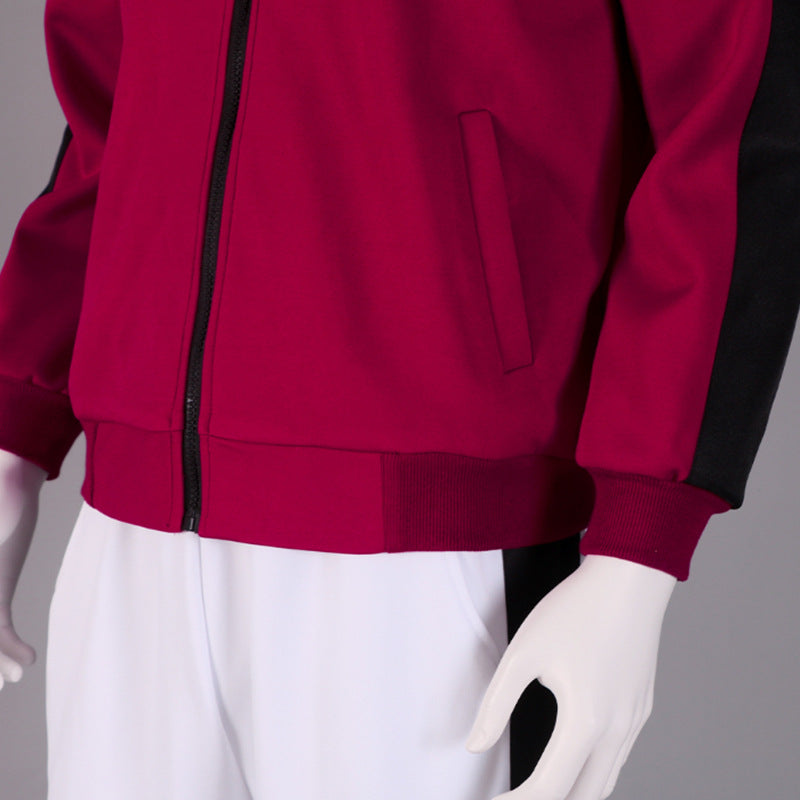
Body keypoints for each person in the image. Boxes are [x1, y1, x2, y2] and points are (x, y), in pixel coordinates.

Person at [0, 1, 797, 799]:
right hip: (130, 539)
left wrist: (638, 548)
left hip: (424, 549)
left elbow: (733, 106)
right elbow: (112, 102)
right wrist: (13, 430)